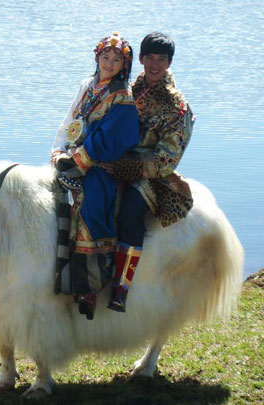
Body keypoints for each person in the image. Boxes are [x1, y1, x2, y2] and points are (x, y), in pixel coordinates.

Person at [104, 32, 195, 312]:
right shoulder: (128, 89)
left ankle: (121, 287)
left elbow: (167, 159)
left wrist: (126, 168)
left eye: (162, 60)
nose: (155, 65)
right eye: (150, 58)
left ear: (169, 63)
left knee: (130, 209)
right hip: (115, 162)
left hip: (152, 175)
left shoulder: (177, 106)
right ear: (141, 59)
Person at [52, 32, 139, 319]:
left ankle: (90, 287)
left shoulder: (123, 97)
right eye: (105, 57)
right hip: (71, 156)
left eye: (116, 60)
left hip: (99, 163)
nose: (109, 63)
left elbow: (109, 138)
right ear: (97, 58)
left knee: (91, 205)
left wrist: (78, 160)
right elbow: (70, 122)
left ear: (124, 65)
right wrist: (58, 151)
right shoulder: (86, 86)